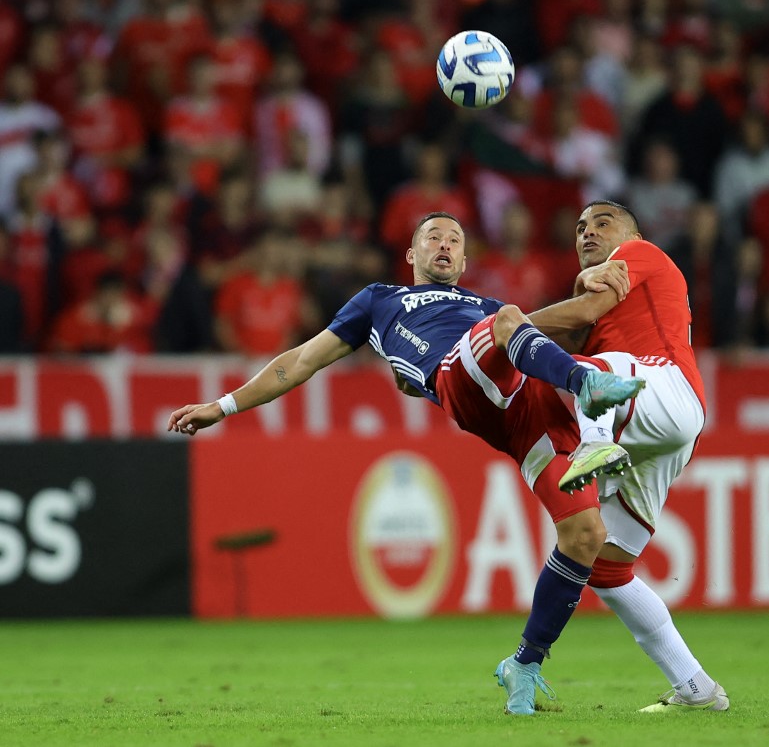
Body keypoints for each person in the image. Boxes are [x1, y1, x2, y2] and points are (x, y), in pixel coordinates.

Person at [167, 211, 645, 715]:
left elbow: (570, 332)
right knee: (509, 319)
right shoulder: (380, 301)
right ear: (411, 255)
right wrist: (222, 406)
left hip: (529, 413)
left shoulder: (482, 304)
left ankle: (524, 664)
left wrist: (584, 283)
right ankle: (589, 388)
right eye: (433, 237)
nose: (445, 244)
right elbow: (302, 360)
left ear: (464, 259)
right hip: (461, 376)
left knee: (585, 535)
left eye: (455, 239)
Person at [525, 200, 730, 713]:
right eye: (579, 227)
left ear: (630, 233)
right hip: (661, 429)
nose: (587, 232)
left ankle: (595, 444)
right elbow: (568, 327)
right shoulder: (604, 294)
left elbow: (577, 317)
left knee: (593, 371)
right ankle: (697, 689)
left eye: (601, 222)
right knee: (609, 568)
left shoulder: (640, 254)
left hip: (665, 392)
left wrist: (506, 328)